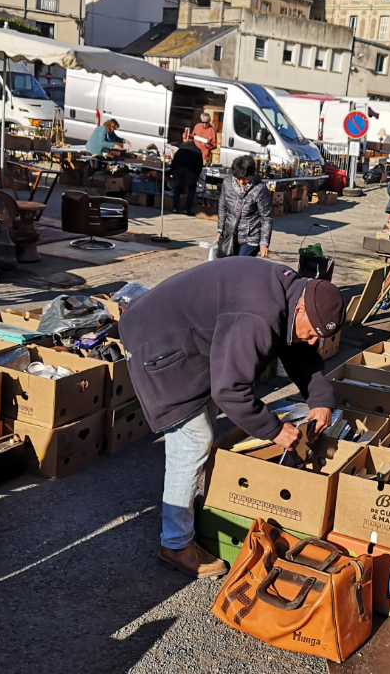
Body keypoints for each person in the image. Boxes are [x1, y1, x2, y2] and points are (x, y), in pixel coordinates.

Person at [119, 259, 346, 578]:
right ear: (302, 309)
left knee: (205, 416)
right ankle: (176, 545)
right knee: (193, 442)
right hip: (156, 338)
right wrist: (274, 429)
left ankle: (187, 512)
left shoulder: (292, 295)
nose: (314, 342)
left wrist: (320, 400)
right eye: (313, 333)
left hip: (185, 332)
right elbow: (229, 391)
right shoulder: (257, 315)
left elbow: (296, 349)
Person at [217, 155, 272, 258]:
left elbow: (266, 217)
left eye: (246, 178)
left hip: (251, 237)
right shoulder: (227, 183)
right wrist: (220, 229)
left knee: (241, 264)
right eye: (238, 179)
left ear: (252, 174)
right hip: (230, 233)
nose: (242, 182)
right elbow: (222, 206)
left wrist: (264, 243)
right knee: (227, 264)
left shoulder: (260, 189)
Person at [169, 141, 203, 215]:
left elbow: (174, 162)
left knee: (177, 188)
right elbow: (200, 165)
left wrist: (172, 172)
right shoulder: (197, 151)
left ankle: (175, 208)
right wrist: (197, 175)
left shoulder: (180, 150)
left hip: (178, 170)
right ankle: (186, 209)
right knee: (191, 190)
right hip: (191, 172)